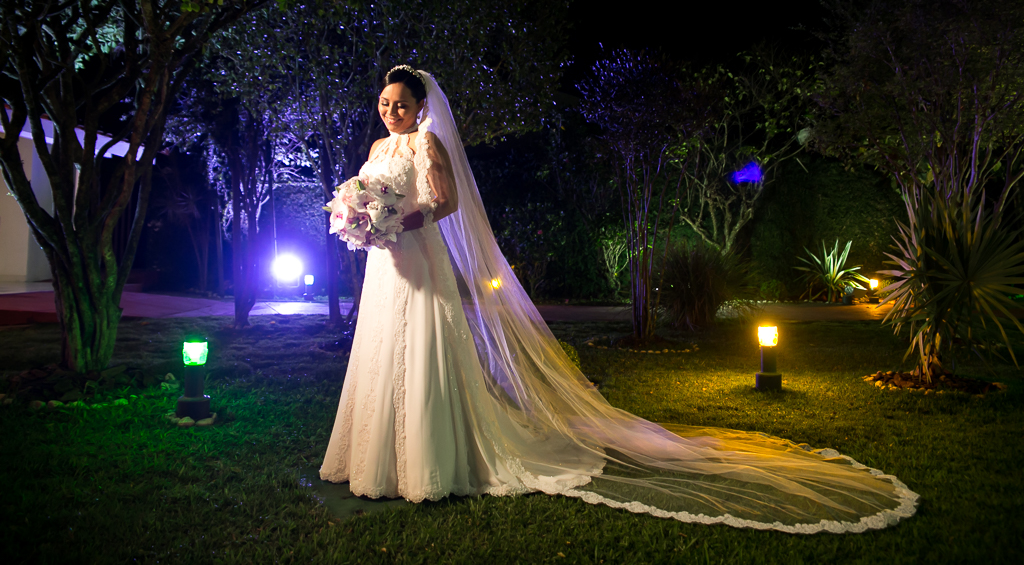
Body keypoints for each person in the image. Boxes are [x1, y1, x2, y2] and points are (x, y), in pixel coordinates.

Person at [321, 65, 919, 532]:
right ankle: (378, 457)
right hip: (386, 266)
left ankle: (431, 461)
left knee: (423, 347)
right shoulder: (376, 149)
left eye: (401, 103)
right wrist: (363, 222)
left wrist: (403, 219)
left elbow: (446, 204)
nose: (392, 111)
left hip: (419, 254)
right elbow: (371, 195)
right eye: (385, 104)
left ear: (422, 107)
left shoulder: (430, 147)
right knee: (381, 348)